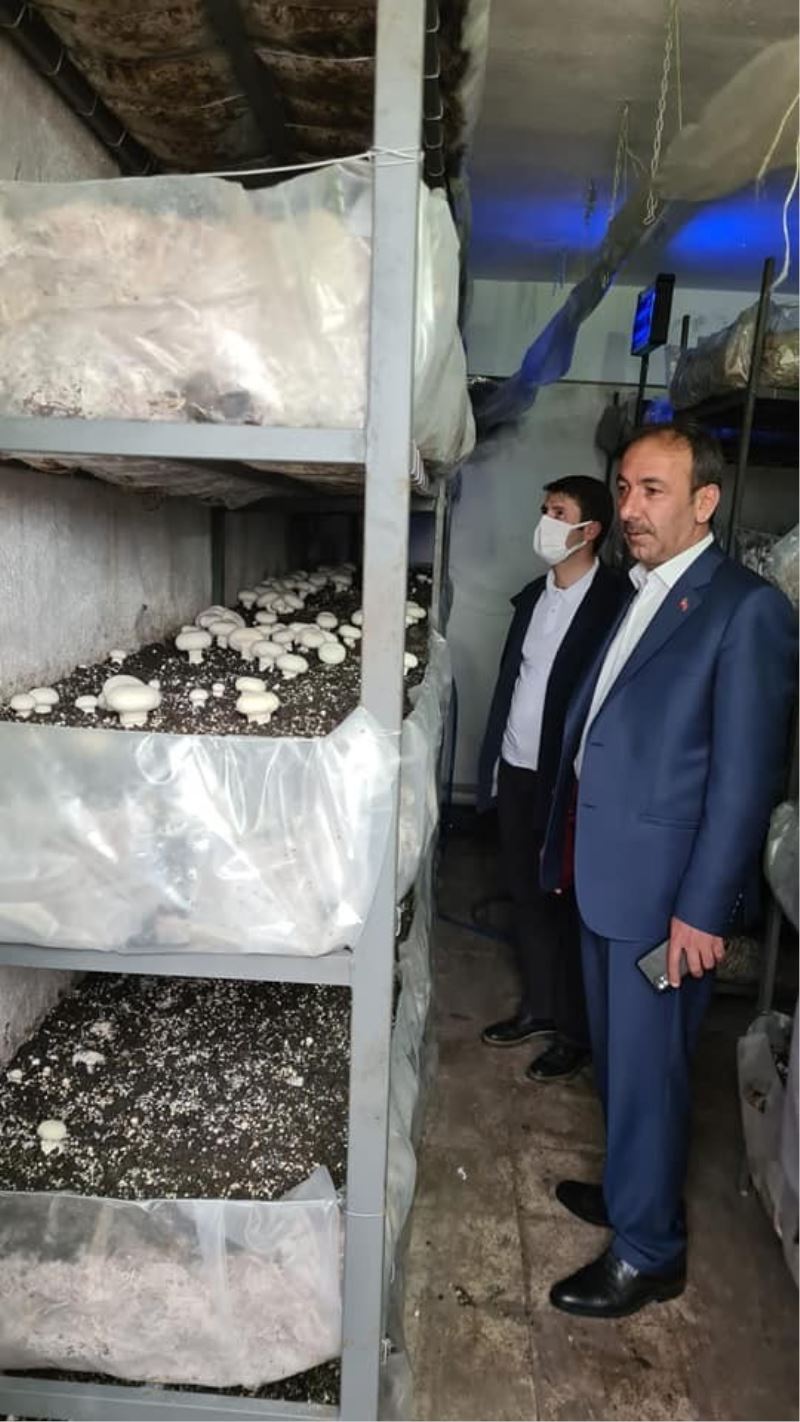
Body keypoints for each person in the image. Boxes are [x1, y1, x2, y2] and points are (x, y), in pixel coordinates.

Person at [541, 422, 797, 1318]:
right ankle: (630, 1190)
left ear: (704, 502)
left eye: (652, 490)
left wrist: (704, 909)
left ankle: (649, 1252)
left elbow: (745, 781)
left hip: (665, 898)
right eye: (623, 489)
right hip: (610, 874)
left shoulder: (745, 610)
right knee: (621, 1061)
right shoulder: (642, 589)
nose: (630, 508)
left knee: (650, 1074)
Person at [477, 476, 628, 1081]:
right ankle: (540, 1007)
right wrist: (494, 762)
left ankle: (575, 1031)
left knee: (568, 901)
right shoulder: (533, 600)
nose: (544, 522)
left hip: (571, 782)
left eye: (558, 512)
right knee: (525, 891)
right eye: (544, 509)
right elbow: (514, 684)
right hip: (518, 770)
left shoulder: (616, 605)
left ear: (589, 530)